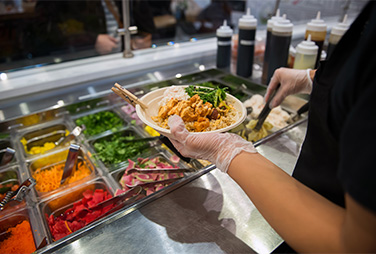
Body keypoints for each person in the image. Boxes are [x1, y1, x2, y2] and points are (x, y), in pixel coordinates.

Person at [166, 1, 376, 252]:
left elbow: (356, 246)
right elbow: (362, 79)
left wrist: (227, 151)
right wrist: (315, 79)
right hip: (307, 205)